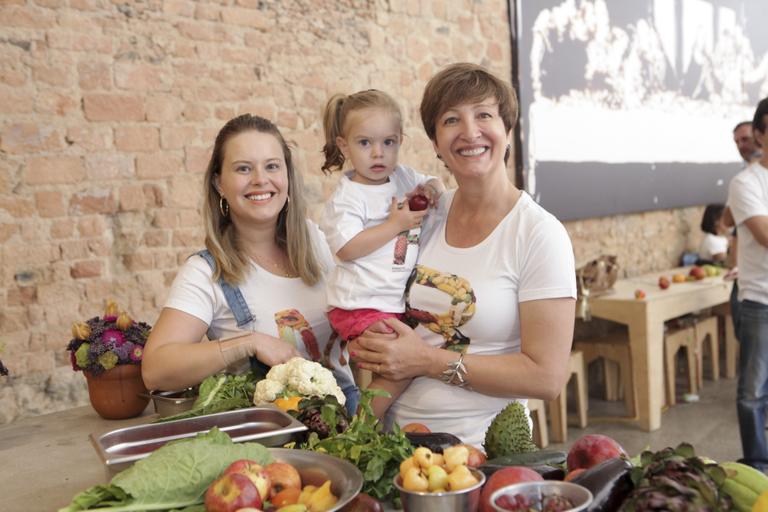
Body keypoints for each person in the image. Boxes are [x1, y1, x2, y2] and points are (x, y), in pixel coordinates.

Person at [349, 63, 577, 448]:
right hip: (394, 447)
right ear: (436, 143)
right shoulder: (425, 216)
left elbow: (547, 378)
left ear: (507, 130)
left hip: (480, 454)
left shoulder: (539, 234)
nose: (470, 132)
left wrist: (428, 361)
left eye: (484, 115)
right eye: (451, 119)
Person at [142, 114, 358, 413]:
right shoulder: (206, 272)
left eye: (272, 166)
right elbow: (155, 369)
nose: (260, 179)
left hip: (349, 430)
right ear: (219, 182)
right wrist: (249, 342)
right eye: (244, 168)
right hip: (275, 447)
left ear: (287, 176)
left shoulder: (314, 240)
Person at [319, 89, 444, 417]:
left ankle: (376, 421)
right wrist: (396, 224)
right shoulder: (349, 198)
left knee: (413, 353)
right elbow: (347, 249)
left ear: (401, 140)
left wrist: (430, 191)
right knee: (397, 364)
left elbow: (436, 182)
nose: (378, 153)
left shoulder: (402, 177)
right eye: (365, 143)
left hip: (389, 301)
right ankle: (361, 429)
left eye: (388, 142)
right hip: (358, 302)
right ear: (344, 146)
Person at [727, 97, 768, 471]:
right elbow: (765, 234)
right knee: (753, 393)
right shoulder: (746, 182)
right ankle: (759, 467)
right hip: (760, 301)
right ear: (760, 134)